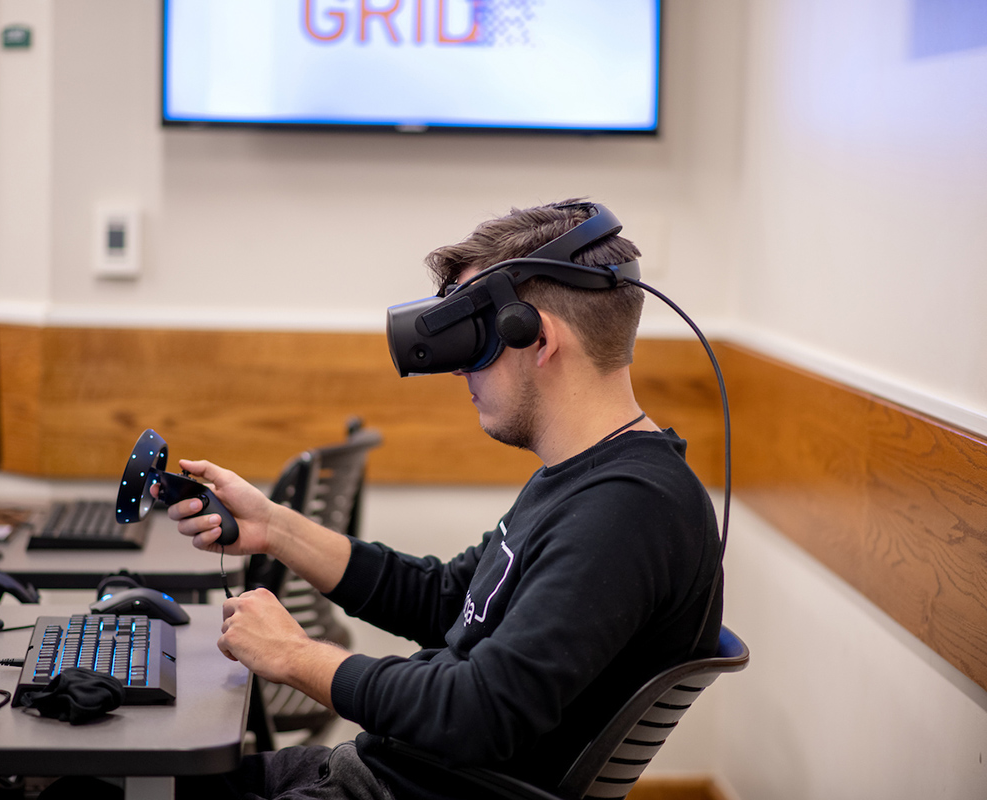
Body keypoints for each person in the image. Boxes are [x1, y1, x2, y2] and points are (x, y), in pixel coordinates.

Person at [171, 200, 724, 800]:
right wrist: (275, 527)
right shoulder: (585, 480)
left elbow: (480, 710)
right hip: (380, 774)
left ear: (536, 337)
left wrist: (294, 655)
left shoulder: (629, 510)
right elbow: (447, 600)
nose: (462, 373)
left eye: (474, 344)